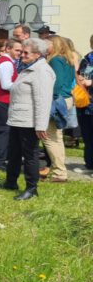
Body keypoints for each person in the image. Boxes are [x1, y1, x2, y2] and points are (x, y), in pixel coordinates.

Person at [0, 38, 55, 201]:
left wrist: (41, 125)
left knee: (30, 155)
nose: (22, 55)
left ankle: (31, 188)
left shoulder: (42, 71)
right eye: (21, 52)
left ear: (38, 54)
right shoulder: (28, 68)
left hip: (30, 122)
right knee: (13, 153)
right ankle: (10, 182)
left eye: (26, 53)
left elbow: (43, 101)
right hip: (17, 118)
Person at [43, 35, 75, 182]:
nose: (44, 46)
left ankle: (59, 172)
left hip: (57, 99)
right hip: (66, 98)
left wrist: (51, 98)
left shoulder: (56, 60)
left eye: (46, 44)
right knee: (57, 136)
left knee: (49, 137)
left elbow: (57, 83)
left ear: (53, 45)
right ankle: (59, 170)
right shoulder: (67, 59)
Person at [0, 39, 22, 170]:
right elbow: (6, 85)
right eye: (17, 50)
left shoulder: (6, 62)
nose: (19, 53)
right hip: (1, 100)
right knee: (3, 131)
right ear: (8, 49)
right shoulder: (6, 63)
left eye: (20, 50)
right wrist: (21, 85)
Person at [75, 34, 93, 174]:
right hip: (85, 103)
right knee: (87, 135)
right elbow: (79, 74)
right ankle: (89, 164)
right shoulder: (87, 59)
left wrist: (91, 82)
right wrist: (79, 78)